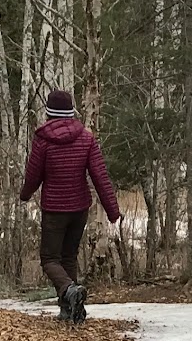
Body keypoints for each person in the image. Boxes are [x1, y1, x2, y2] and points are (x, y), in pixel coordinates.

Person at [19, 90, 121, 323]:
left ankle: (69, 290)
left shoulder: (43, 140)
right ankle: (71, 311)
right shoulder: (86, 138)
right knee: (69, 257)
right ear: (71, 111)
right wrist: (112, 210)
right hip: (79, 209)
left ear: (48, 112)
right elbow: (100, 176)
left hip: (55, 208)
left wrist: (25, 195)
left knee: (49, 259)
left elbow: (33, 175)